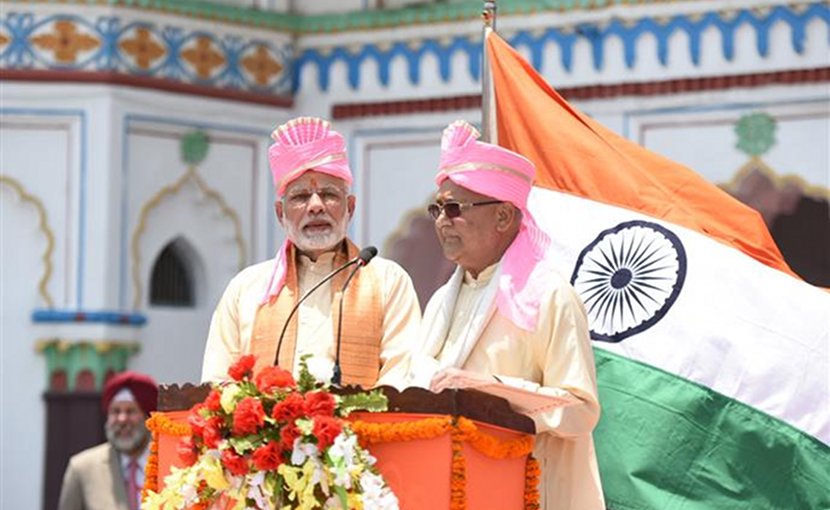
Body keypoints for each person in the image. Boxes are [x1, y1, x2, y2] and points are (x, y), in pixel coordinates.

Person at [408, 121, 605, 509]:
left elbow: (580, 411)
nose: (442, 220)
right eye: (437, 208)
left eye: (454, 208)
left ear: (502, 217)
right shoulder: (441, 301)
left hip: (528, 490)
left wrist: (488, 390)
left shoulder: (548, 295)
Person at [201, 116, 421, 388]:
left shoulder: (388, 281)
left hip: (360, 431)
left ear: (350, 207)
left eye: (329, 194)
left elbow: (402, 378)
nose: (316, 206)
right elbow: (217, 382)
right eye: (300, 197)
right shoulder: (248, 288)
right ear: (280, 213)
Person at [58, 371, 158, 510]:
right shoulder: (82, 468)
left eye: (130, 411)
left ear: (148, 418)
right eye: (115, 411)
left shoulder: (169, 464)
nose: (122, 420)